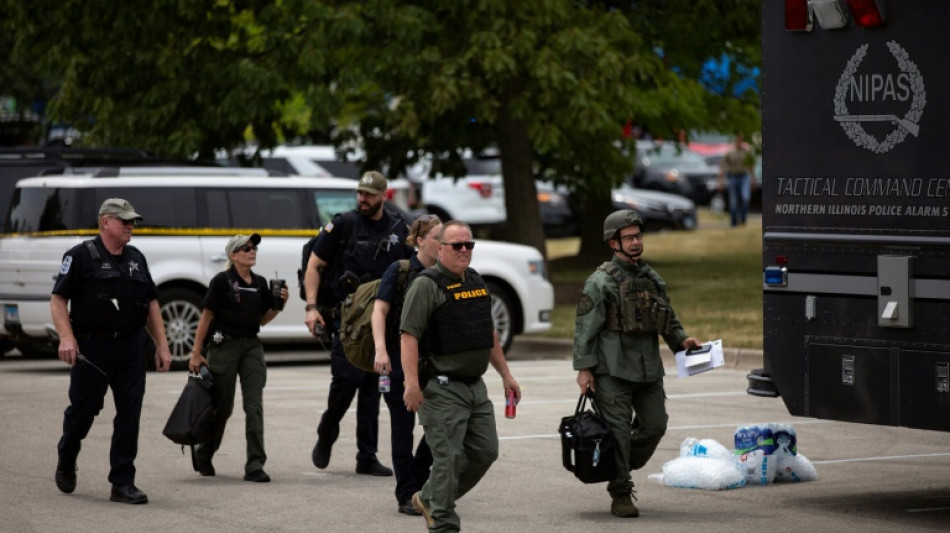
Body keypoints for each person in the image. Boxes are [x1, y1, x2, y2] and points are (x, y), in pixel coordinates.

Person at [573, 209, 700, 518]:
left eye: (638, 236)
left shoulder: (651, 278)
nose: (635, 242)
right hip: (612, 370)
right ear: (613, 243)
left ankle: (616, 461)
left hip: (647, 369)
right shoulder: (600, 281)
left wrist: (681, 340)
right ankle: (620, 493)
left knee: (655, 425)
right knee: (617, 432)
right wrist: (585, 369)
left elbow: (667, 316)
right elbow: (585, 328)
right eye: (628, 238)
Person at [400, 220, 521, 532]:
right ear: (440, 248)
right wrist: (411, 384)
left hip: (475, 388)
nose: (464, 250)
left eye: (469, 244)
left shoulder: (476, 281)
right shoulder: (426, 285)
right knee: (448, 458)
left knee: (485, 452)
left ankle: (430, 497)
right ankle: (442, 521)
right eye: (457, 245)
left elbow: (487, 333)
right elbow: (408, 336)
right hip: (440, 388)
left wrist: (506, 375)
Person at [51, 198, 173, 505]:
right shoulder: (80, 256)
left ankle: (122, 482)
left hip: (131, 346)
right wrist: (67, 338)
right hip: (93, 346)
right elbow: (58, 299)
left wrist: (162, 344)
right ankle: (67, 452)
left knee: (129, 413)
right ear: (106, 222)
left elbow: (151, 303)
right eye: (125, 221)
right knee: (83, 411)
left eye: (133, 221)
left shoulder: (136, 258)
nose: (131, 226)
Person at [304, 170, 413, 476]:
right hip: (348, 319)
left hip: (383, 320)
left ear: (383, 195)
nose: (362, 199)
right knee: (345, 382)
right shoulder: (343, 224)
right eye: (360, 194)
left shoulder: (396, 226)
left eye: (369, 195)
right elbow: (315, 266)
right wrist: (312, 307)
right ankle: (327, 432)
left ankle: (366, 456)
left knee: (373, 386)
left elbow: (411, 266)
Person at [187, 233, 287, 482]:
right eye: (246, 248)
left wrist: (277, 305)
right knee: (223, 407)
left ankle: (255, 465)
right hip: (224, 347)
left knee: (254, 407)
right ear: (233, 255)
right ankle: (204, 454)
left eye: (254, 248)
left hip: (251, 345)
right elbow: (206, 317)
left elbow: (261, 320)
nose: (252, 251)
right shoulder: (221, 281)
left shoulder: (261, 283)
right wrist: (196, 352)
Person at [370, 214, 441, 516]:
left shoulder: (444, 273)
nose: (444, 244)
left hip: (433, 363)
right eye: (438, 237)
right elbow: (379, 311)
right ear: (421, 240)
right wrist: (381, 351)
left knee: (440, 424)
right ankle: (406, 493)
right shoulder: (399, 271)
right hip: (398, 361)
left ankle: (417, 475)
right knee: (403, 428)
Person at [717, 134, 757, 227]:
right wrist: (720, 181)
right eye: (738, 139)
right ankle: (734, 222)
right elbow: (722, 167)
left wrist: (753, 179)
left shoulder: (747, 153)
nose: (740, 141)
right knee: (733, 201)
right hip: (733, 177)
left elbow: (751, 167)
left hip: (744, 177)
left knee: (745, 198)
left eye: (741, 140)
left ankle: (743, 218)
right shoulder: (730, 153)